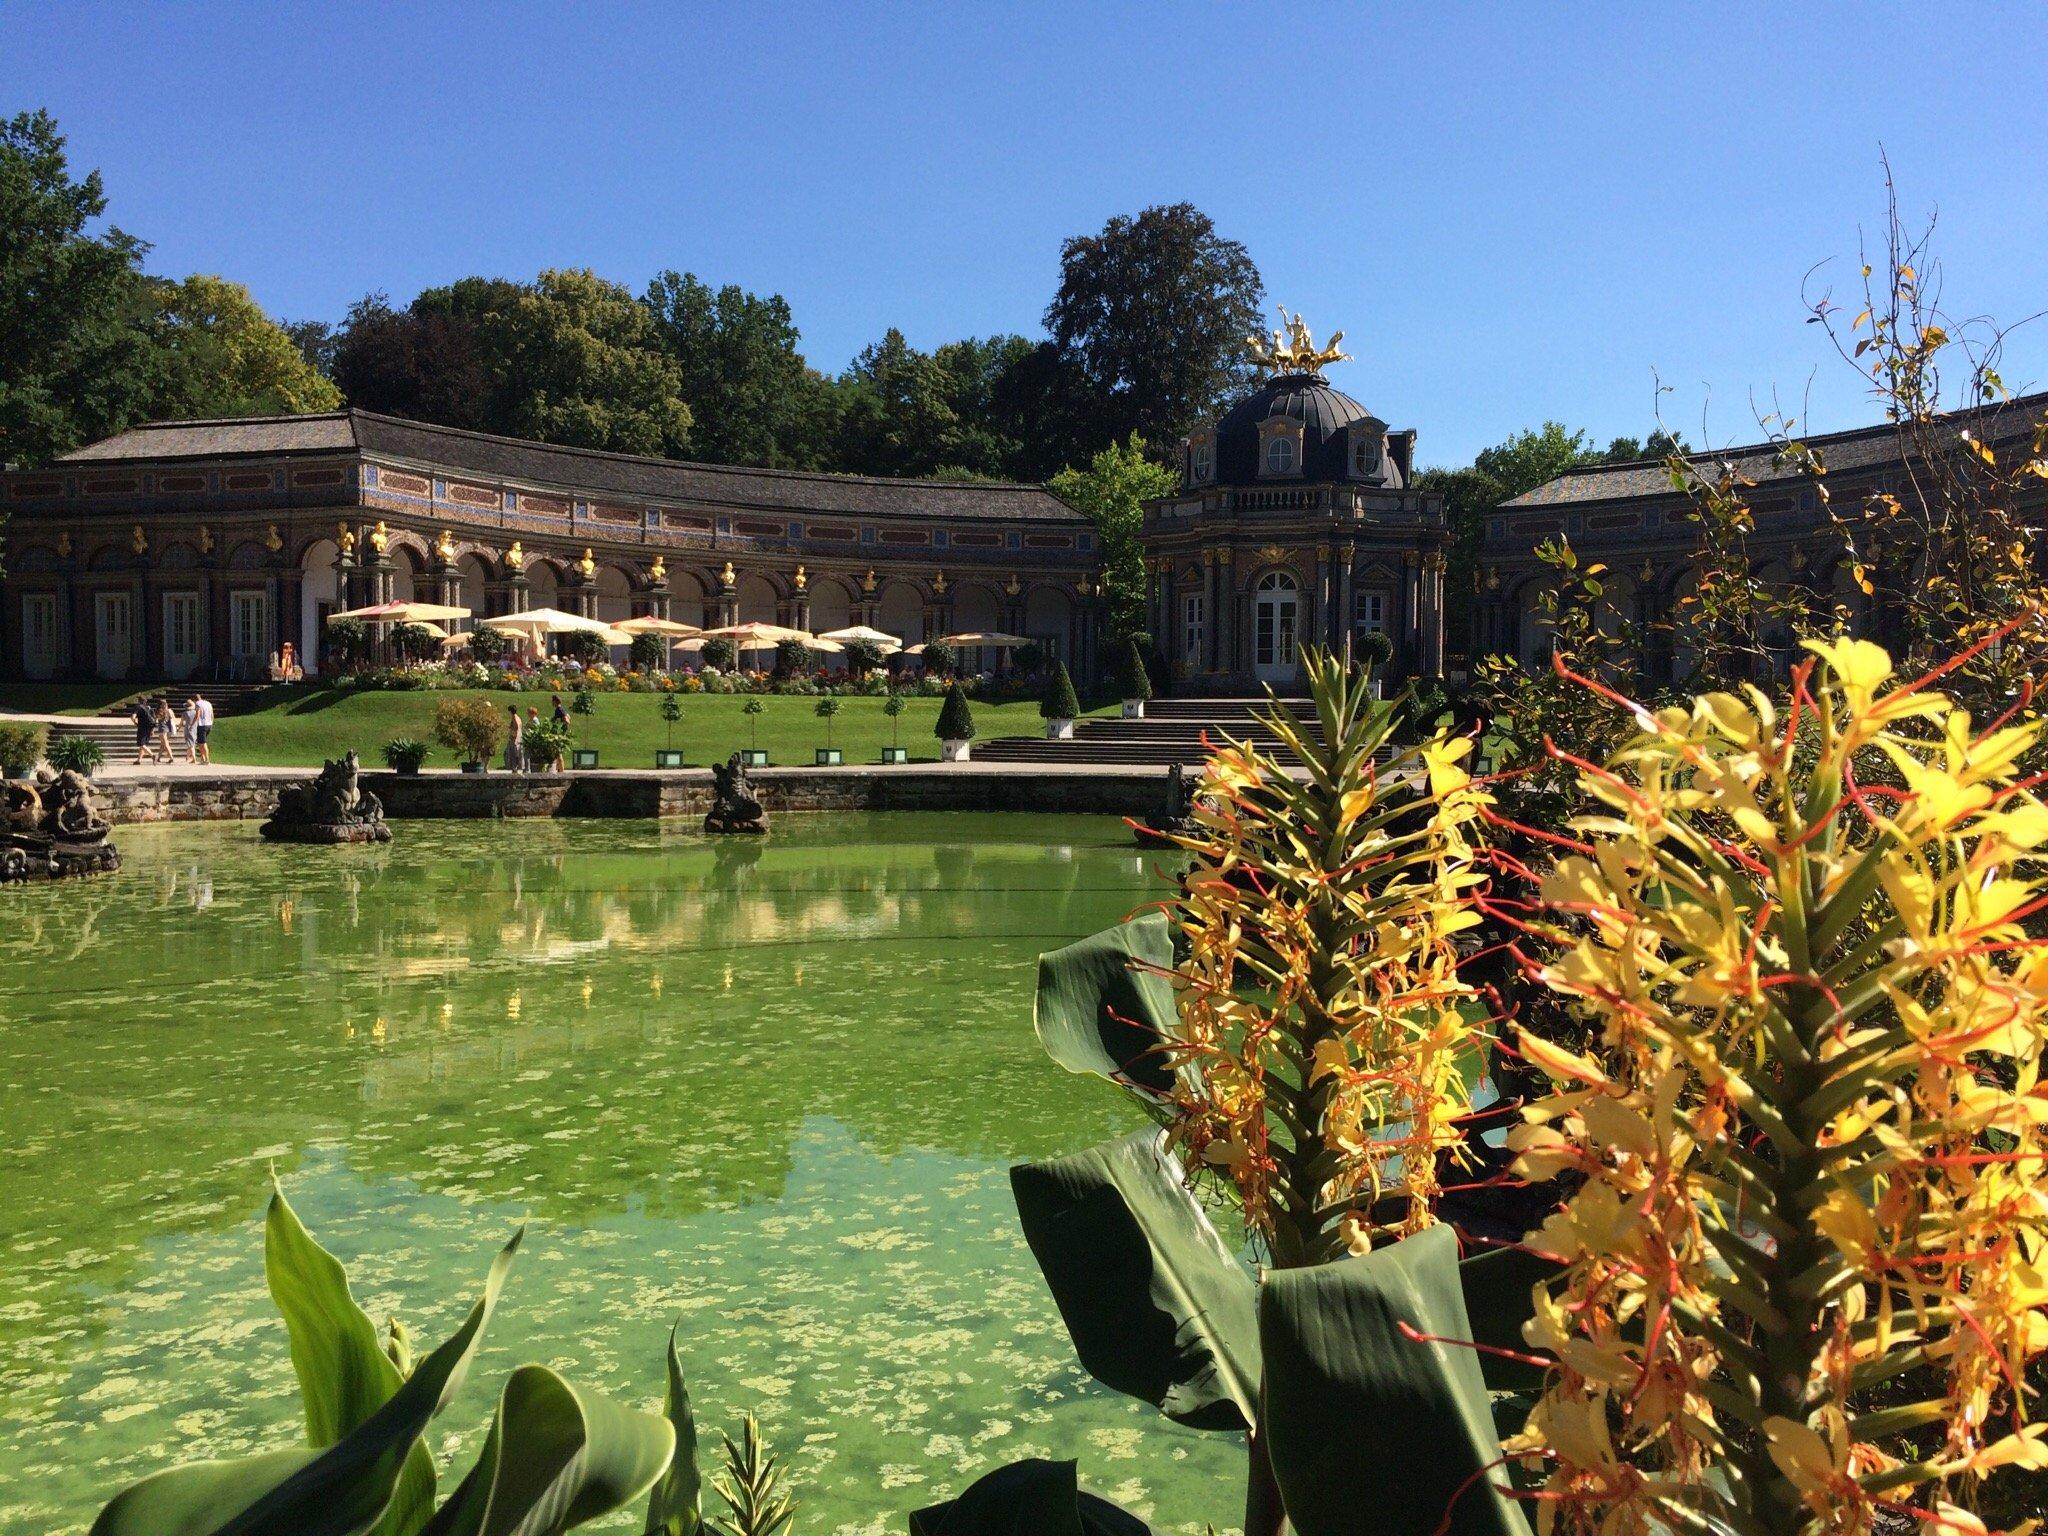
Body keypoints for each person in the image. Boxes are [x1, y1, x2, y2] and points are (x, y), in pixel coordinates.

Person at [192, 691, 214, 766]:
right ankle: (203, 758)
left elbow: (197, 715)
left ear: (194, 700)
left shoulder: (197, 704)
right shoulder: (208, 703)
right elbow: (212, 714)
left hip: (202, 725)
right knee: (200, 742)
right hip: (209, 724)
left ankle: (207, 759)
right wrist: (211, 723)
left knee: (203, 743)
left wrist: (192, 724)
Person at [131, 696, 154, 764]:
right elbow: (153, 719)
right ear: (145, 701)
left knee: (141, 744)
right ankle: (139, 760)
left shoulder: (138, 707)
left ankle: (152, 756)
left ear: (139, 700)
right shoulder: (149, 708)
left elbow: (133, 717)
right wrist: (152, 730)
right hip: (149, 728)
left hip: (142, 727)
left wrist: (135, 723)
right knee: (143, 744)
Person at [504, 705, 524, 772]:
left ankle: (514, 768)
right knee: (515, 754)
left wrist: (513, 736)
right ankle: (514, 768)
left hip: (514, 739)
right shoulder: (517, 717)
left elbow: (516, 728)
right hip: (517, 738)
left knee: (513, 754)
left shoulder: (514, 718)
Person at [182, 696, 200, 765]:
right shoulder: (196, 712)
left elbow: (181, 723)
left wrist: (178, 728)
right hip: (194, 729)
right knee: (191, 744)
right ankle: (187, 757)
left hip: (188, 729)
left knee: (191, 745)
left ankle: (194, 759)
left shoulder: (184, 713)